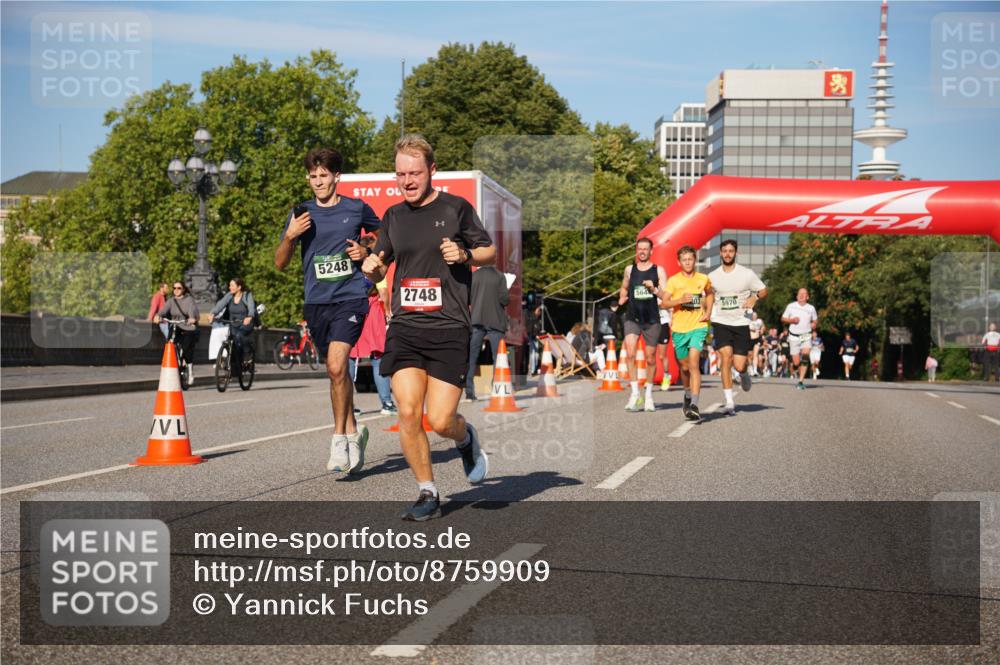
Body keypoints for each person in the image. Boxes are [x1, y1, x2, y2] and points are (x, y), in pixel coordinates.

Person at [362, 134, 493, 521]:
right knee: (407, 411)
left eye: (414, 173)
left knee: (440, 421)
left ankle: (465, 438)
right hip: (406, 325)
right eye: (401, 174)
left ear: (432, 171)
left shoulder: (456, 209)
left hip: (449, 325)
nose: (407, 181)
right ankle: (428, 492)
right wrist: (371, 267)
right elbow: (379, 263)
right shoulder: (393, 217)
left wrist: (465, 254)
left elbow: (489, 251)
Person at [275, 147, 381, 475]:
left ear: (337, 176)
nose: (318, 181)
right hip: (316, 302)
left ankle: (338, 440)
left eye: (324, 175)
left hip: (350, 297)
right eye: (313, 176)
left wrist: (365, 250)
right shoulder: (301, 213)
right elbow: (280, 263)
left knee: (337, 366)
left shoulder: (356, 208)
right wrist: (290, 236)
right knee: (337, 373)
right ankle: (353, 432)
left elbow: (383, 238)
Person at [708, 238, 767, 416]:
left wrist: (755, 297)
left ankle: (743, 374)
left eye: (730, 251)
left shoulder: (747, 274)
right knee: (725, 358)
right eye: (724, 251)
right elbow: (707, 297)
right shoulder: (712, 276)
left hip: (741, 322)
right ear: (720, 253)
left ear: (736, 253)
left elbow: (764, 290)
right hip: (721, 322)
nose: (727, 254)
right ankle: (729, 402)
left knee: (739, 364)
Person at [662, 245, 713, 422]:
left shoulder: (703, 278)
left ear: (695, 260)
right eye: (684, 260)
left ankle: (694, 404)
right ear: (679, 262)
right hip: (679, 329)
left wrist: (708, 311)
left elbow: (710, 293)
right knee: (684, 367)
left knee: (693, 364)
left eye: (690, 259)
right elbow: (664, 303)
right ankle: (687, 394)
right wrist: (679, 300)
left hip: (698, 326)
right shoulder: (674, 281)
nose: (688, 262)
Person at [349, 236, 397, 416]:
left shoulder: (352, 266)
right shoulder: (374, 265)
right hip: (373, 311)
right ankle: (386, 403)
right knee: (378, 358)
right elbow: (383, 292)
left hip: (353, 308)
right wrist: (388, 312)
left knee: (350, 357)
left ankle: (347, 405)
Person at [618, 237, 668, 413]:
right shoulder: (629, 269)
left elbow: (666, 296)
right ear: (636, 250)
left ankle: (648, 396)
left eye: (645, 249)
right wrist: (622, 297)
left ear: (651, 251)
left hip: (651, 320)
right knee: (630, 354)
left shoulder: (658, 270)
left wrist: (653, 289)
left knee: (650, 358)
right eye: (640, 249)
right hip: (632, 318)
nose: (642, 252)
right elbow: (624, 287)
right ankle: (634, 394)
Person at [465, 265, 509, 402]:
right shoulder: (499, 276)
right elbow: (504, 299)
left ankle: (469, 392)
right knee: (498, 357)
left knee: (472, 356)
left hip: (476, 319)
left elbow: (468, 298)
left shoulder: (473, 276)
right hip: (495, 321)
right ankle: (497, 389)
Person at [153, 282, 200, 376]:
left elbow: (192, 311)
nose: (176, 290)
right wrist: (157, 316)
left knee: (187, 349)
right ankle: (174, 363)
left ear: (183, 289)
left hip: (187, 327)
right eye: (174, 288)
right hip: (175, 326)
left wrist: (192, 318)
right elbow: (163, 310)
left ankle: (190, 370)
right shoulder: (171, 301)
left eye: (179, 288)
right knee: (170, 343)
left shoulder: (189, 300)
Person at [211, 278, 257, 372]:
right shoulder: (229, 295)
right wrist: (212, 313)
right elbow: (220, 304)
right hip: (233, 324)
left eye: (232, 285)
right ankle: (232, 363)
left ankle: (247, 355)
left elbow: (251, 307)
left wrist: (249, 317)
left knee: (240, 336)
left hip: (245, 323)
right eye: (229, 285)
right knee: (230, 341)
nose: (230, 287)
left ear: (239, 287)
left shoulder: (247, 295)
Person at [781, 288, 818, 390]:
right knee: (796, 362)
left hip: (806, 335)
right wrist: (792, 320)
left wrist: (814, 324)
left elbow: (815, 320)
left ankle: (801, 381)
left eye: (804, 294)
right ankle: (795, 367)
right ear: (797, 296)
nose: (801, 295)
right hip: (794, 336)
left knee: (805, 357)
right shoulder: (791, 306)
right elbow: (783, 319)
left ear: (807, 297)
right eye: (799, 294)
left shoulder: (811, 308)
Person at [657, 307, 672, 390]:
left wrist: (671, 320)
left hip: (663, 323)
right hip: (651, 324)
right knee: (650, 354)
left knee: (662, 356)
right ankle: (649, 379)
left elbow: (671, 308)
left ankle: (666, 376)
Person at [749, 312, 764, 377]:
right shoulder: (748, 321)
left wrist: (762, 330)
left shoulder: (759, 321)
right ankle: (750, 368)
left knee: (755, 354)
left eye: (755, 315)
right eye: (753, 315)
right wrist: (751, 329)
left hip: (757, 339)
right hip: (749, 339)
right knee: (750, 355)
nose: (754, 316)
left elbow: (763, 327)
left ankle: (755, 370)